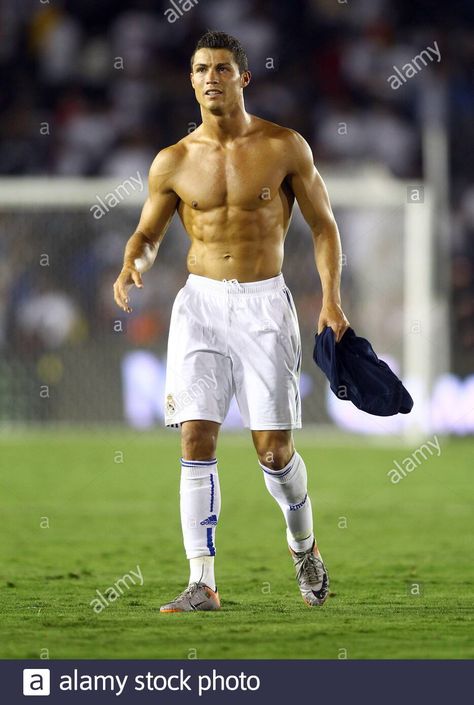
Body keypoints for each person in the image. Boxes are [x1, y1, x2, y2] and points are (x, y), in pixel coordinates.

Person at [113, 31, 349, 612]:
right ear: (190, 80)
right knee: (196, 438)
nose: (211, 77)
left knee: (272, 451)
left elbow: (323, 226)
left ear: (244, 78)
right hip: (198, 307)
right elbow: (148, 234)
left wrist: (331, 299)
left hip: (264, 304)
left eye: (222, 67)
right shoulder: (172, 161)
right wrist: (131, 263)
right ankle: (203, 583)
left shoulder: (284, 146)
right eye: (200, 69)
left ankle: (304, 548)